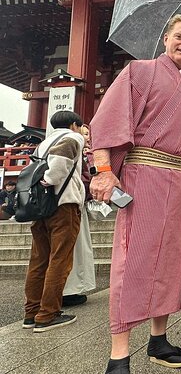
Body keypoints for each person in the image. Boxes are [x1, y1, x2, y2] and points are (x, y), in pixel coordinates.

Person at [91, 14, 181, 374]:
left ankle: (158, 339)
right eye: (179, 36)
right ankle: (119, 354)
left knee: (170, 260)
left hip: (179, 182)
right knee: (133, 260)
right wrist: (103, 171)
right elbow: (109, 120)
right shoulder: (139, 71)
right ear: (165, 38)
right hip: (143, 174)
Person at [23, 110, 85, 333]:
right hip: (63, 206)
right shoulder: (73, 137)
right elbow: (58, 166)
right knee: (60, 259)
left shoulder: (43, 143)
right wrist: (48, 181)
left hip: (40, 209)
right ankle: (47, 314)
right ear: (74, 125)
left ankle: (31, 312)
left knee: (39, 260)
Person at [62, 124, 96, 307]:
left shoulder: (47, 144)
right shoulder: (73, 146)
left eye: (89, 134)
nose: (87, 138)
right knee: (72, 250)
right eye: (84, 134)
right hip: (71, 204)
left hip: (56, 205)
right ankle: (68, 292)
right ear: (73, 127)